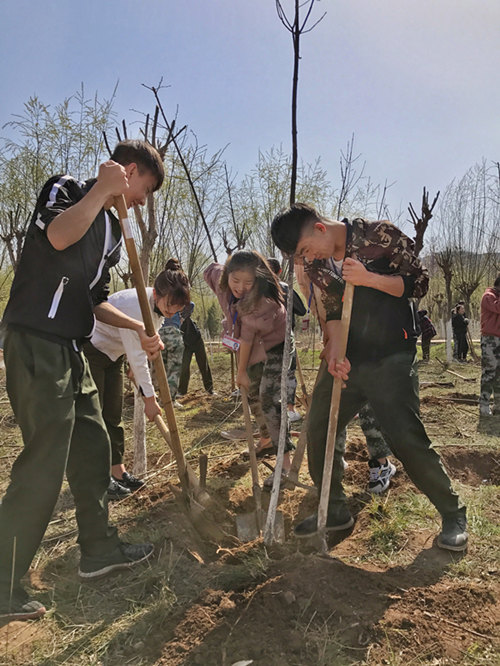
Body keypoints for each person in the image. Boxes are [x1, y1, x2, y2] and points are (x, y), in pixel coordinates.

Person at [0, 140, 165, 621]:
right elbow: (57, 238)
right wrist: (101, 191)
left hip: (73, 348)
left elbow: (96, 299)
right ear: (128, 171)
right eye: (144, 189)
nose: (141, 202)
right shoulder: (68, 190)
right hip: (35, 341)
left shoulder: (111, 232)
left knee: (94, 446)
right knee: (44, 461)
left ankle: (98, 550)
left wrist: (139, 327)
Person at [271, 203, 467, 551]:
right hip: (351, 356)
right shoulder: (316, 265)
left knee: (403, 436)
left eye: (304, 250)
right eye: (299, 257)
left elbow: (419, 282)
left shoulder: (379, 235)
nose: (306, 259)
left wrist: (368, 278)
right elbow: (333, 307)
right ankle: (334, 509)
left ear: (319, 229)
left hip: (391, 352)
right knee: (319, 426)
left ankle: (453, 513)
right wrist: (335, 352)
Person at [84, 259, 190, 499]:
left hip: (114, 355)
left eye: (177, 309)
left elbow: (143, 348)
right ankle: (98, 478)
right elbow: (138, 357)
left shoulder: (157, 307)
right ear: (157, 293)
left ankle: (118, 472)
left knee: (113, 414)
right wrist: (150, 400)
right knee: (95, 415)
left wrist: (137, 367)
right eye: (170, 306)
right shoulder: (136, 306)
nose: (172, 312)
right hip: (93, 351)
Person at [295, 261, 396, 494]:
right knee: (332, 408)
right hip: (337, 347)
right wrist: (331, 341)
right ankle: (333, 466)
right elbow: (322, 307)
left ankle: (381, 464)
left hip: (366, 346)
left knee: (370, 408)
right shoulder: (307, 267)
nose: (302, 256)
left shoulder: (348, 258)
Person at [204, 250, 293, 487]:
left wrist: (241, 372)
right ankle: (266, 440)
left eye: (248, 283)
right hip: (252, 348)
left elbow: (247, 339)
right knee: (253, 395)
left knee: (269, 400)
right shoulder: (222, 280)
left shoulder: (262, 303)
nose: (241, 288)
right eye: (235, 280)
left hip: (275, 346)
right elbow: (210, 271)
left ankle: (285, 463)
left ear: (258, 280)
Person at [267, 257, 306, 423]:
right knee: (288, 372)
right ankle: (289, 409)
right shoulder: (284, 288)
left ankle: (271, 410)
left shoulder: (256, 289)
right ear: (280, 271)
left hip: (264, 339)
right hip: (285, 336)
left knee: (270, 373)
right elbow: (302, 310)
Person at [178, 303, 214, 396]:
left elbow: (191, 305)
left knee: (204, 365)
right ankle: (182, 391)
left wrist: (182, 315)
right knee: (184, 367)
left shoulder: (185, 312)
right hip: (185, 343)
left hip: (197, 340)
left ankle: (210, 389)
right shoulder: (172, 317)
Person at [479, 274, 500, 417]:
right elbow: (498, 307)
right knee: (489, 372)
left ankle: (498, 405)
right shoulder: (488, 296)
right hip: (490, 339)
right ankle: (484, 405)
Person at [158, 307, 186, 409]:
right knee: (174, 369)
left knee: (160, 368)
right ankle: (170, 400)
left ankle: (159, 397)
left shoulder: (157, 302)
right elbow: (191, 305)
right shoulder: (177, 302)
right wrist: (182, 316)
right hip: (173, 333)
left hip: (159, 333)